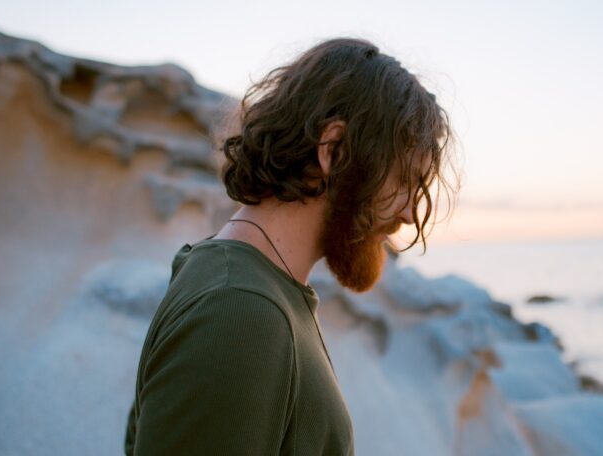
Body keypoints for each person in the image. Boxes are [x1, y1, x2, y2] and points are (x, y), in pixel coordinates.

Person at [124, 37, 459, 455]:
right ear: (334, 151)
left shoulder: (260, 289)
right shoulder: (239, 312)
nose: (409, 213)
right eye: (404, 181)